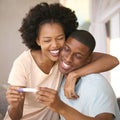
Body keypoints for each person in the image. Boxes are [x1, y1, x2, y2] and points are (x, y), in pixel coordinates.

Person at [4, 2, 119, 120]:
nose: (54, 46)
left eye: (60, 38)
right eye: (47, 40)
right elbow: (15, 116)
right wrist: (14, 105)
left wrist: (74, 75)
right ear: (38, 40)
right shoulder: (23, 64)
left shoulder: (64, 56)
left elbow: (113, 60)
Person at [36, 30, 120, 120]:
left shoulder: (96, 83)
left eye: (78, 56)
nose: (68, 59)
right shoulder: (60, 76)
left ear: (88, 59)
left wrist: (61, 107)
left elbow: (114, 61)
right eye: (66, 49)